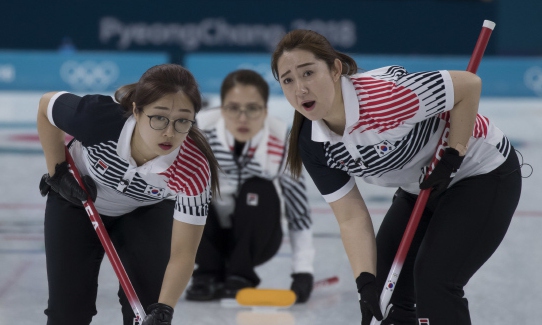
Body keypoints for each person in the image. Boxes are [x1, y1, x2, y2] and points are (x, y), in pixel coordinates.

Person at [271, 30, 523, 325]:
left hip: (481, 172)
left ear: (335, 69)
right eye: (288, 80)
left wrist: (453, 155)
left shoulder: (386, 98)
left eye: (308, 73)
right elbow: (351, 216)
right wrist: (364, 283)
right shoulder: (312, 142)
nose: (300, 89)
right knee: (382, 295)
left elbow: (468, 85)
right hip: (420, 185)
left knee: (434, 282)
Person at [37, 63, 219, 325]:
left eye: (182, 121)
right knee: (68, 312)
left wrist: (164, 308)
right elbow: (46, 106)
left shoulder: (193, 169)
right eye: (158, 117)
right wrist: (57, 172)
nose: (169, 132)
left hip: (146, 211)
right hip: (77, 200)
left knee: (145, 311)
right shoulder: (98, 119)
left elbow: (183, 254)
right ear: (136, 110)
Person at [185, 69, 315, 303]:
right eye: (233, 108)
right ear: (221, 108)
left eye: (252, 108)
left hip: (257, 240)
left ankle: (240, 275)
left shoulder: (281, 144)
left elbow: (299, 213)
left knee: (258, 188)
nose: (242, 118)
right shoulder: (199, 139)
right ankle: (206, 272)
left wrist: (302, 271)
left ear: (265, 110)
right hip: (205, 234)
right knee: (189, 192)